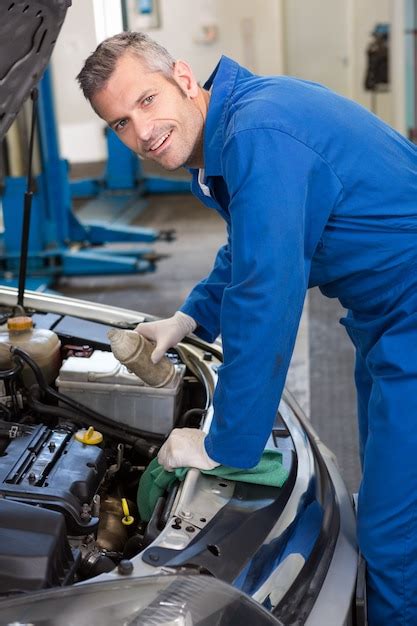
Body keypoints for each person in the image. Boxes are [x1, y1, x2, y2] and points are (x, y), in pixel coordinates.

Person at [77, 31, 417, 625]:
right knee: (392, 502)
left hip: (409, 319)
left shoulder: (260, 136)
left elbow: (267, 298)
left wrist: (221, 445)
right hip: (386, 320)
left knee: (391, 537)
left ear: (184, 78)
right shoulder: (232, 131)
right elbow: (250, 249)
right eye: (120, 123)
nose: (141, 131)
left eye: (147, 100)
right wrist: (188, 317)